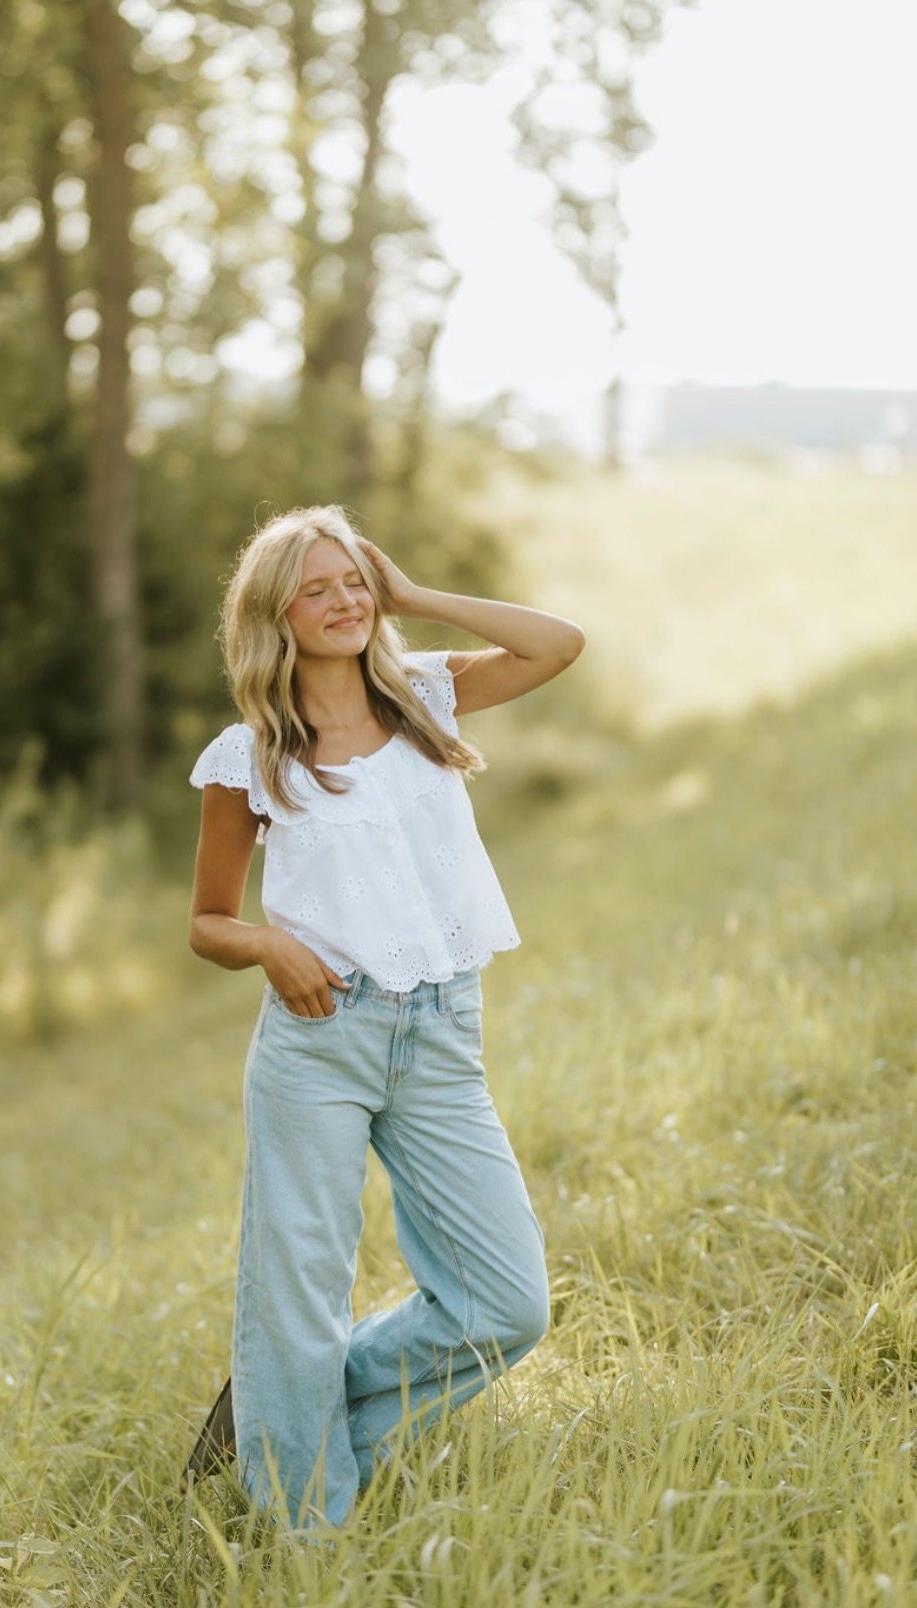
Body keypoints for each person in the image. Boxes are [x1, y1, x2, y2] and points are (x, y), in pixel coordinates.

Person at [186, 504, 585, 1534]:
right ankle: (304, 1539)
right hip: (320, 1039)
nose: (343, 602)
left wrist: (412, 593)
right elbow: (207, 922)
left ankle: (280, 1416)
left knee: (507, 1303)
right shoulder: (249, 756)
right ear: (275, 615)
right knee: (298, 1292)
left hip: (441, 1035)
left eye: (353, 581)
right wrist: (269, 945)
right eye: (314, 589)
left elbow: (558, 643)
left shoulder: (426, 697)